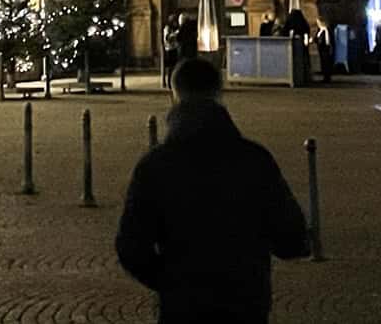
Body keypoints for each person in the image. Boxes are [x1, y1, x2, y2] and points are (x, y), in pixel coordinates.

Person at [115, 56, 308, 323]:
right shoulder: (253, 159)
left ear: (175, 94)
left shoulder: (156, 165)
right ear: (219, 92)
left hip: (183, 307)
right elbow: (292, 238)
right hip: (245, 303)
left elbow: (131, 246)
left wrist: (172, 281)